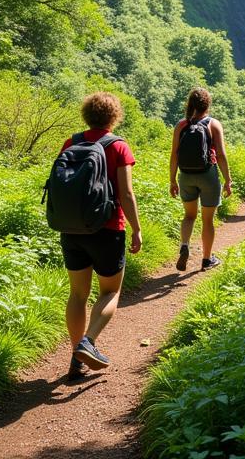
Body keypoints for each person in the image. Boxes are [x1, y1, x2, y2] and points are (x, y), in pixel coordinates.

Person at [58, 92, 142, 381]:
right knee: (110, 291)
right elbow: (127, 194)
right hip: (107, 229)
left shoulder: (72, 142)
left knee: (77, 294)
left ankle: (75, 361)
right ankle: (88, 342)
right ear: (114, 116)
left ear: (86, 114)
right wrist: (137, 228)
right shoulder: (118, 146)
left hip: (71, 229)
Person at [170, 87, 232, 273]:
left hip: (186, 176)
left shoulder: (181, 125)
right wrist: (228, 179)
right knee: (207, 220)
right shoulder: (213, 124)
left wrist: (172, 180)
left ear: (190, 104)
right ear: (208, 104)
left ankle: (184, 245)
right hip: (208, 175)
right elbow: (220, 155)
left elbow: (174, 155)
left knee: (189, 216)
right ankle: (206, 259)